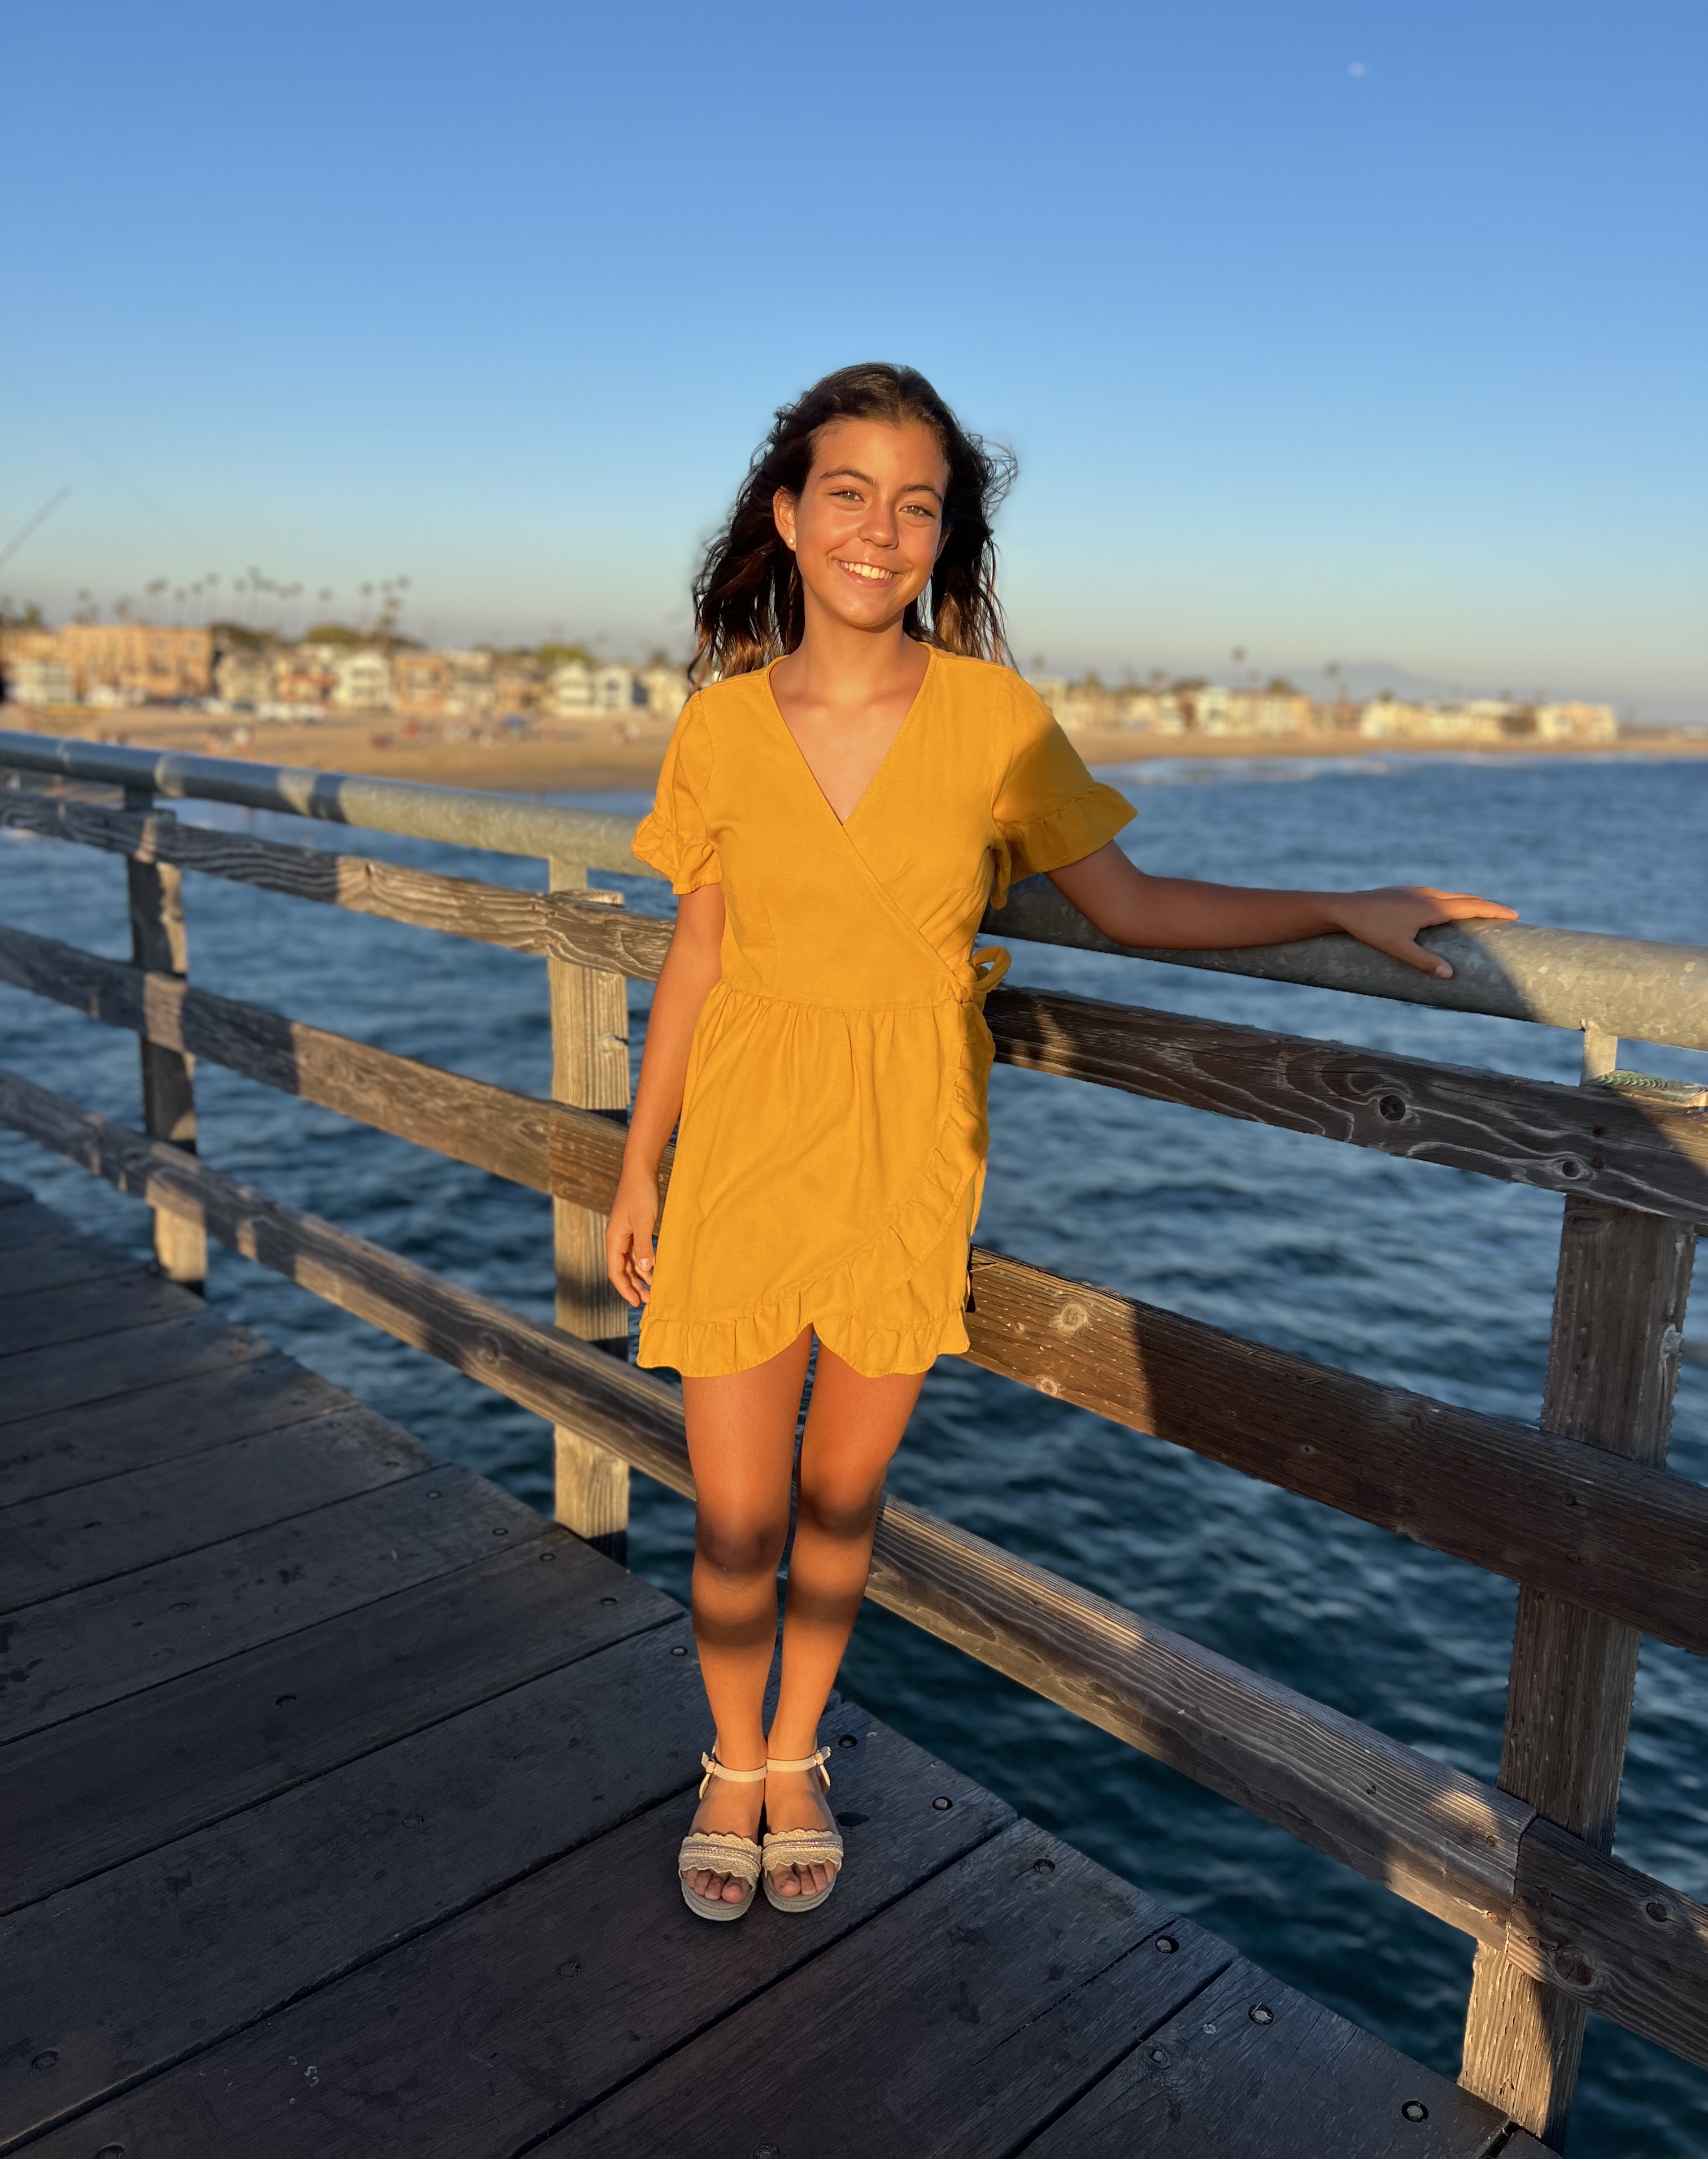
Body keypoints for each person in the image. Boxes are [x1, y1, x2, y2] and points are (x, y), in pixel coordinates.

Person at [605, 362, 1514, 1921]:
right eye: (849, 495)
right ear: (786, 511)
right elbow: (696, 950)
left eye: (918, 506)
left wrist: (1340, 904)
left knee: (841, 1506)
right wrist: (642, 1160)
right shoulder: (721, 728)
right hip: (745, 1142)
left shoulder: (993, 721)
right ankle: (728, 1761)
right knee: (738, 1516)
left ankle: (797, 1754)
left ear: (943, 536)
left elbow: (1137, 907)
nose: (881, 532)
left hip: (908, 1146)